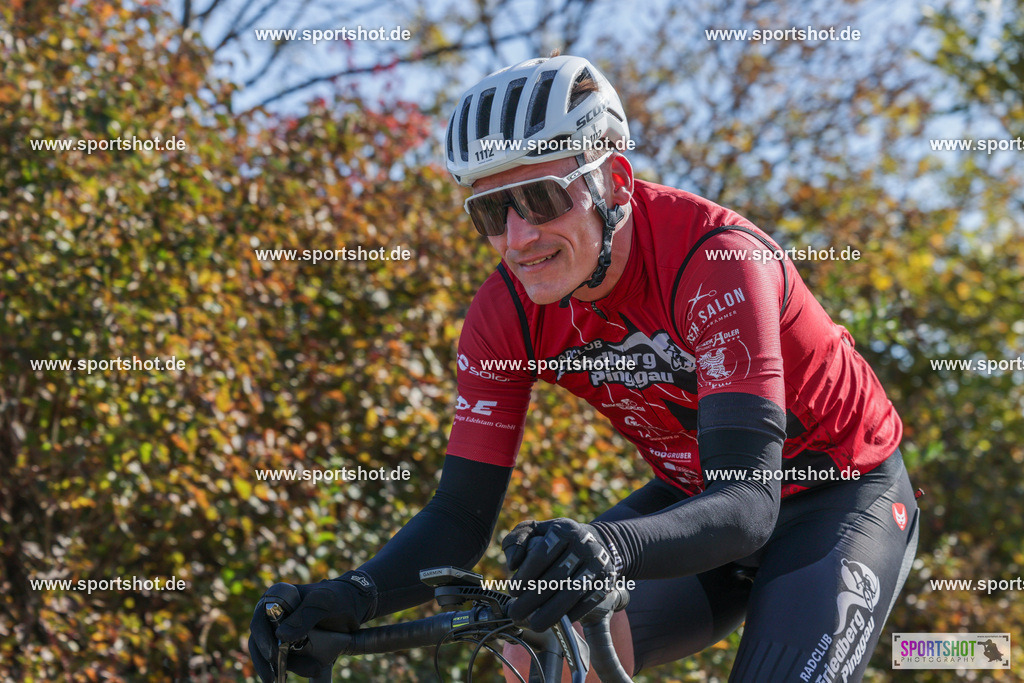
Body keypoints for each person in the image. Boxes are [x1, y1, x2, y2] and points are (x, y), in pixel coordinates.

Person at [249, 54, 921, 682]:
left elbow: (748, 504)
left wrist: (608, 544)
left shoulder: (715, 262)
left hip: (836, 495)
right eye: (489, 211)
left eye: (540, 199)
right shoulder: (504, 312)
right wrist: (353, 594)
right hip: (695, 498)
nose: (519, 237)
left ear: (616, 181)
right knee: (534, 653)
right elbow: (460, 513)